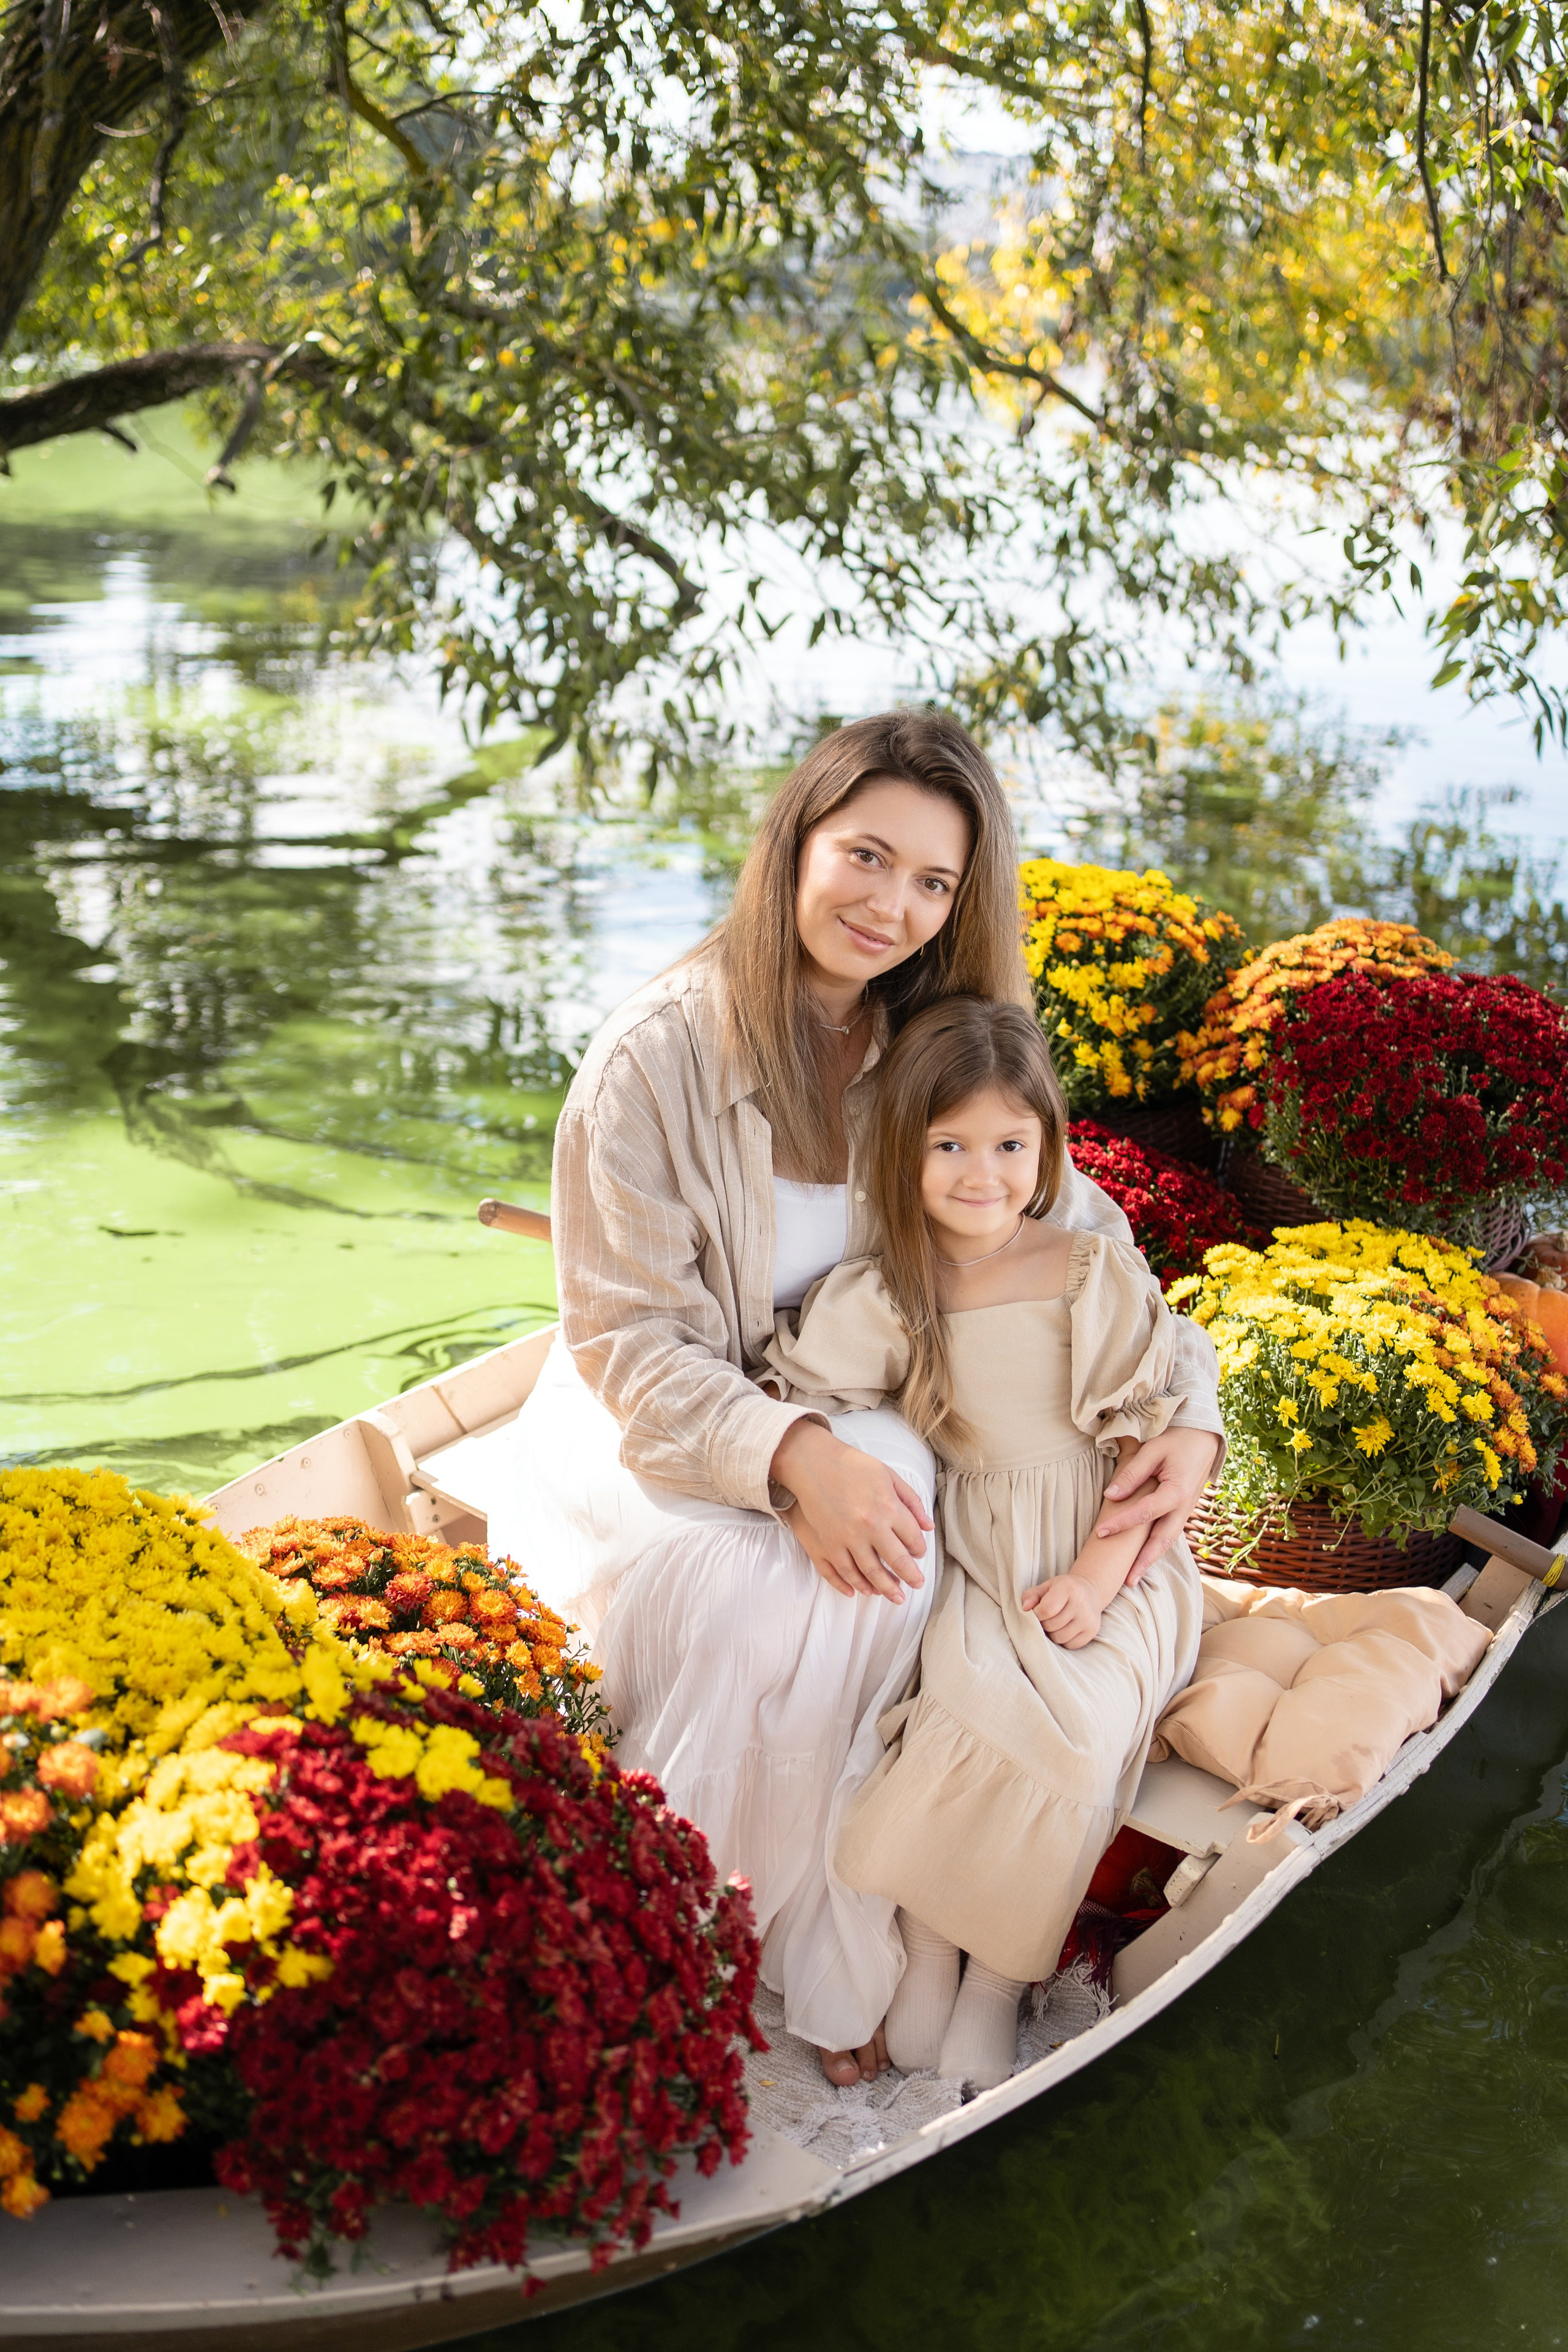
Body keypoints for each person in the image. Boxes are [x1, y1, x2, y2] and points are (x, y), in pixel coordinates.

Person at [488, 710, 1223, 2087]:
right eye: (865, 856)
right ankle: (703, 1935)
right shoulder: (649, 1062)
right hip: (665, 1413)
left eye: (932, 882)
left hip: (868, 1399)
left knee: (892, 1526)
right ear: (797, 845)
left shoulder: (935, 1045)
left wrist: (1190, 1414)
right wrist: (785, 1455)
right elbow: (631, 1345)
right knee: (783, 1578)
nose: (891, 904)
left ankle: (848, 1947)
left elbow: (1092, 1247)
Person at [762, 994, 1205, 2090]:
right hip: (979, 1555)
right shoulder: (890, 1294)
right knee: (960, 1706)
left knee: (1077, 1730)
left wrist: (1100, 1583)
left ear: (1047, 1148)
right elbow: (799, 1396)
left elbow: (1146, 1441)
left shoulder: (1085, 1273)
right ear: (900, 1150)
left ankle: (999, 1979)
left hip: (1109, 1551)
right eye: (949, 1145)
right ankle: (927, 1944)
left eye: (1011, 1145)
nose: (983, 1174)